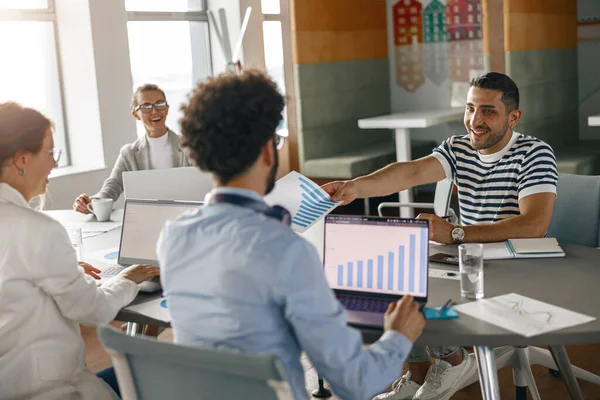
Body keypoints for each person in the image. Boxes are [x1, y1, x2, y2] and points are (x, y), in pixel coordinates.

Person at [156, 70, 427, 400]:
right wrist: (399, 336)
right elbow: (355, 382)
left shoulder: (174, 236)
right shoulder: (285, 249)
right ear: (268, 151)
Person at [322, 72, 558, 400]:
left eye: (488, 111)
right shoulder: (459, 147)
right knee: (399, 280)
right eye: (470, 108)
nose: (475, 120)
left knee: (426, 293)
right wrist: (354, 187)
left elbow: (534, 225)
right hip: (471, 259)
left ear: (513, 117)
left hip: (516, 266)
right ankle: (417, 375)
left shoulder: (535, 153)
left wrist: (456, 233)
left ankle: (452, 361)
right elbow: (413, 170)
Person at [0, 102, 160, 399]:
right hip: (48, 391)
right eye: (50, 154)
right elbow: (93, 311)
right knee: (156, 367)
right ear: (22, 159)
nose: (55, 164)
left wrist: (67, 271)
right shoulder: (38, 229)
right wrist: (128, 278)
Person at [73, 83, 191, 213]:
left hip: (185, 216)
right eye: (146, 107)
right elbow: (113, 186)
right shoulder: (128, 153)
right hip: (146, 218)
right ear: (136, 114)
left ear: (167, 108)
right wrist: (92, 203)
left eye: (159, 104)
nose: (154, 111)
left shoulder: (189, 146)